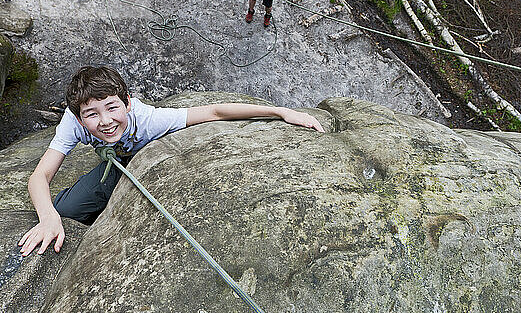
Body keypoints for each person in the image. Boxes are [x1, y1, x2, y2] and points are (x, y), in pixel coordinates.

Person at [18, 66, 324, 257]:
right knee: (65, 211)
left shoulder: (150, 120)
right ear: (80, 118)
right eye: (92, 114)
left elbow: (213, 112)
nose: (106, 121)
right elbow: (39, 176)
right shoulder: (72, 123)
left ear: (127, 102)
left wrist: (281, 112)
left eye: (112, 108)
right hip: (117, 164)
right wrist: (48, 217)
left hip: (153, 159)